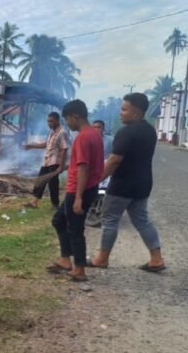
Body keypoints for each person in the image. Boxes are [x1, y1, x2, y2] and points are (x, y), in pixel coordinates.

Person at [87, 93, 166, 272]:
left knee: (110, 220)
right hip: (143, 184)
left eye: (124, 109)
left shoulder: (126, 132)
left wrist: (96, 180)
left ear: (136, 112)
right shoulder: (150, 130)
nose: (120, 113)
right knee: (142, 221)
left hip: (122, 185)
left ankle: (101, 259)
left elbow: (114, 160)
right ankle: (156, 259)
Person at [48, 99, 104, 282]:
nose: (67, 123)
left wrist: (78, 197)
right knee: (58, 220)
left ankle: (79, 269)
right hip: (87, 188)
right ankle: (65, 260)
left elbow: (83, 168)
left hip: (80, 190)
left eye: (67, 120)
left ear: (76, 116)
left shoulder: (83, 137)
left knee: (75, 229)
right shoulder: (95, 134)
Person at [24, 111, 68, 208]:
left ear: (57, 121)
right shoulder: (51, 132)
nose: (49, 123)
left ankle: (55, 204)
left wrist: (61, 165)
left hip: (55, 161)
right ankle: (35, 202)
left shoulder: (62, 132)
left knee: (53, 183)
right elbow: (46, 144)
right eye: (48, 121)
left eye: (51, 121)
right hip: (47, 161)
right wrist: (32, 146)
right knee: (40, 181)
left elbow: (64, 149)